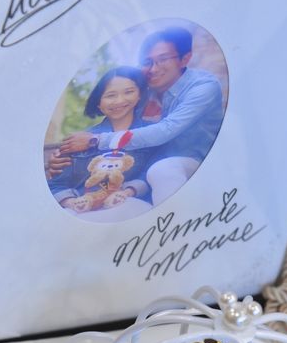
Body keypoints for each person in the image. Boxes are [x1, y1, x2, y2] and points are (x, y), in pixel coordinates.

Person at [57, 27, 224, 205]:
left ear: (185, 59)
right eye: (147, 61)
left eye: (163, 59)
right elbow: (120, 123)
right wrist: (62, 158)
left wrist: (95, 140)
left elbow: (165, 130)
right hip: (140, 180)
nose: (153, 68)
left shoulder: (203, 87)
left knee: (162, 170)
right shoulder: (141, 89)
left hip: (198, 163)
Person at [48, 66, 153, 212]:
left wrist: (127, 193)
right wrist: (74, 203)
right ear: (99, 103)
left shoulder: (152, 134)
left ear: (139, 95)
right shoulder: (77, 141)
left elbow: (152, 175)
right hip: (82, 212)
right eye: (110, 95)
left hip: (131, 208)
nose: (119, 100)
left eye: (129, 92)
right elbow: (56, 185)